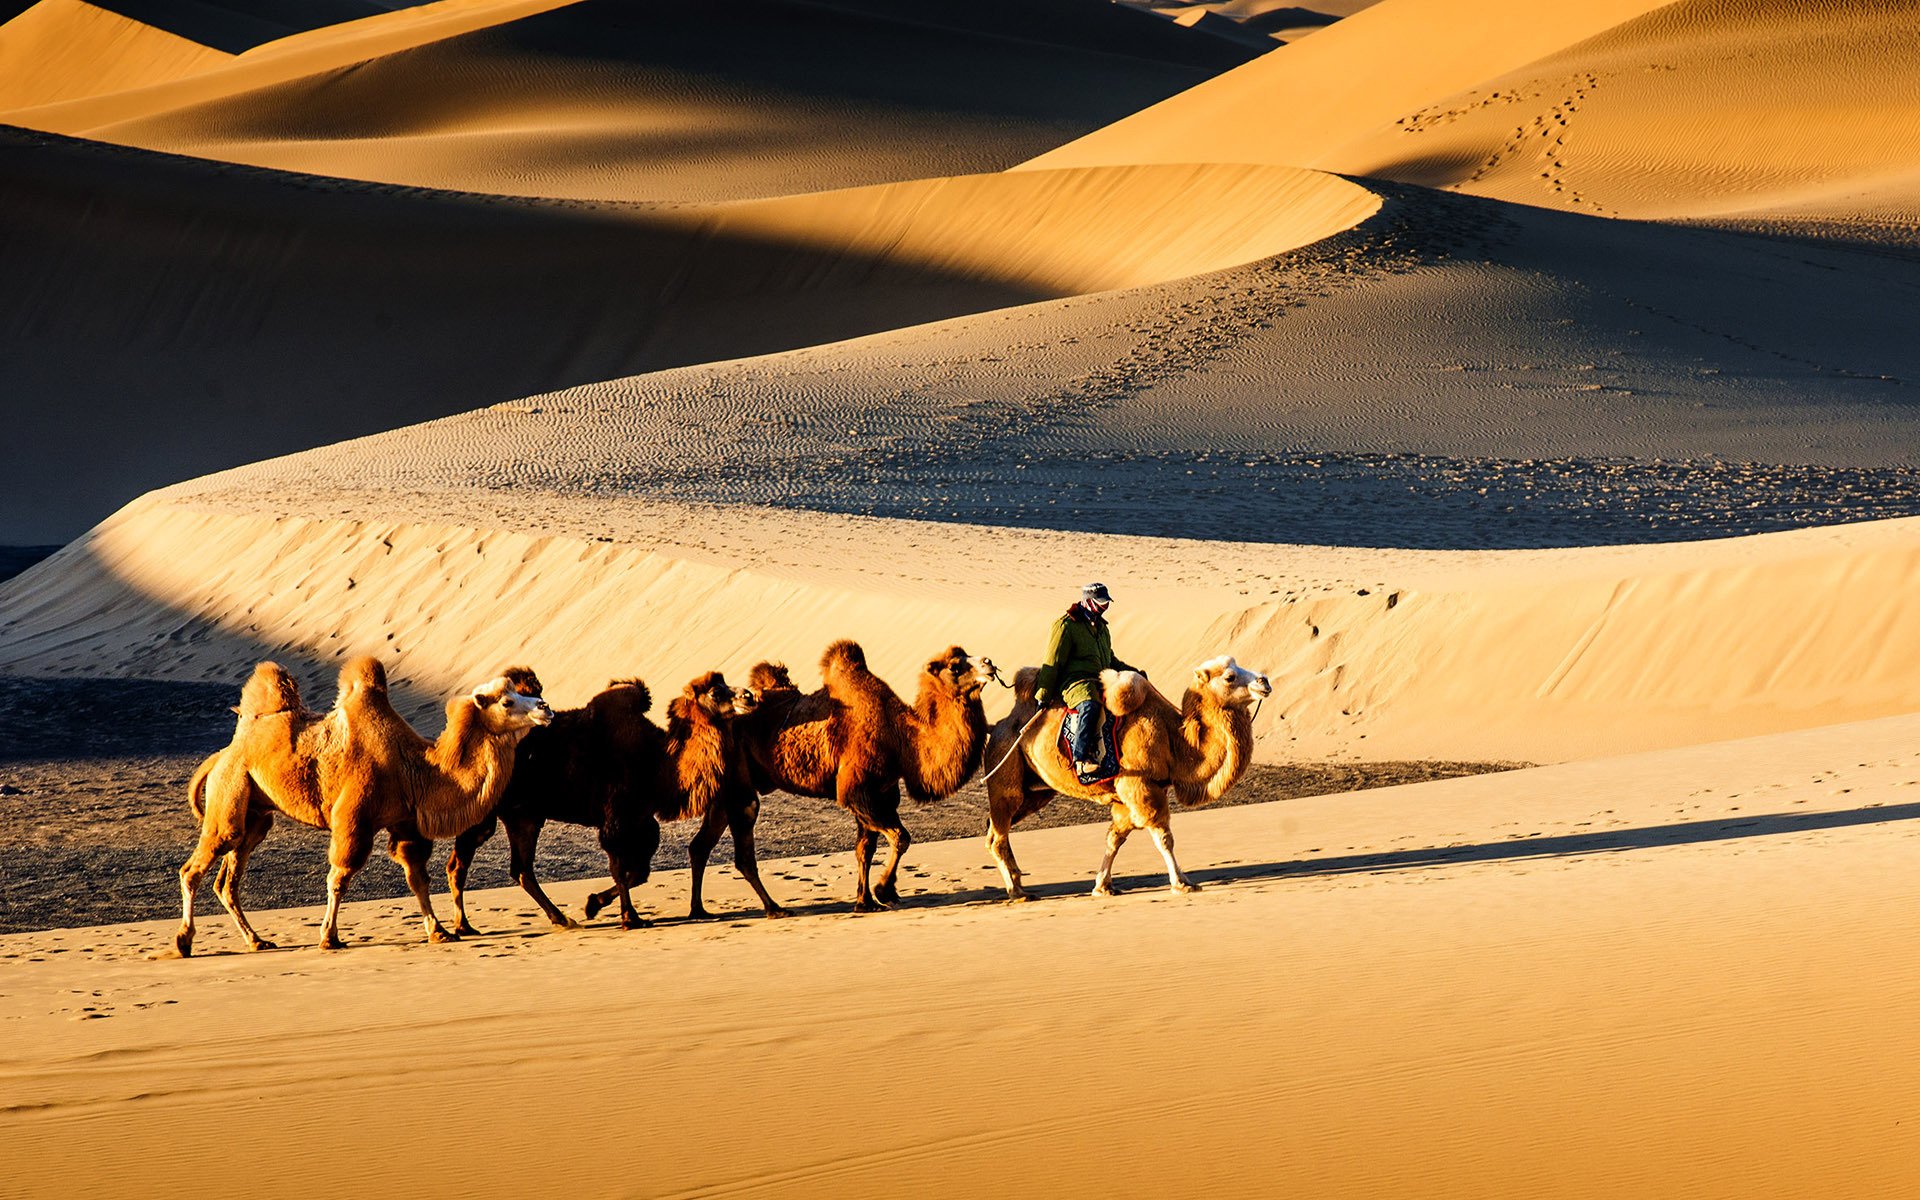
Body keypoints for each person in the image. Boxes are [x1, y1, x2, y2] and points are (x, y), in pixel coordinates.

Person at [1031, 582, 1141, 781]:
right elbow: (1052, 662)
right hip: (1075, 682)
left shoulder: (1102, 629)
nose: (1104, 606)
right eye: (1100, 602)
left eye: (1106, 602)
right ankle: (1081, 759)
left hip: (1101, 679)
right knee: (1089, 705)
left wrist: (1134, 673)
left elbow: (1110, 660)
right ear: (1088, 601)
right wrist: (1043, 696)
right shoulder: (1066, 626)